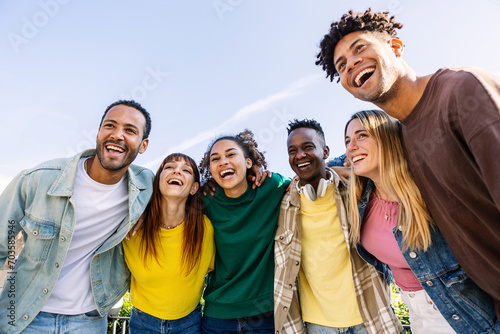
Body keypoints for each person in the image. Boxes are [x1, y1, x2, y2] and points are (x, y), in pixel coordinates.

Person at [316, 8, 500, 319]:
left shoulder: (462, 92)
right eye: (342, 65)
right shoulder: (401, 138)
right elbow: (352, 157)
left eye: (360, 48)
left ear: (396, 47)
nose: (352, 64)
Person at [0, 100, 153, 334]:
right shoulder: (38, 180)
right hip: (25, 315)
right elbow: (3, 243)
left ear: (143, 146)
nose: (117, 135)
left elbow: (188, 191)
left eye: (130, 130)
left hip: (89, 321)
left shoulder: (146, 187)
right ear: (99, 133)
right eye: (110, 126)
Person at [344, 109, 500, 333]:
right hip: (413, 311)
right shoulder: (361, 198)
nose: (351, 147)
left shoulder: (427, 189)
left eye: (361, 136)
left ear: (386, 137)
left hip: (455, 308)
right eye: (347, 140)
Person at [274, 118, 401, 334]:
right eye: (292, 150)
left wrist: (336, 167)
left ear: (325, 151)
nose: (300, 155)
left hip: (369, 316)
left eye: (308, 147)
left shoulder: (355, 188)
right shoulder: (282, 202)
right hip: (318, 324)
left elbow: (378, 154)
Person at [198, 129, 290, 334]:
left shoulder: (271, 186)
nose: (223, 161)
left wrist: (338, 168)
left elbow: (308, 180)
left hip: (265, 315)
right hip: (218, 316)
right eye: (215, 158)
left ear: (248, 163)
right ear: (210, 169)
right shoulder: (204, 200)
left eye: (231, 154)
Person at [123, 153, 215, 334]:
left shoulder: (206, 229)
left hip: (189, 322)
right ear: (157, 181)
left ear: (194, 188)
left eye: (186, 170)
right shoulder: (131, 225)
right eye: (170, 167)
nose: (177, 172)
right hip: (142, 322)